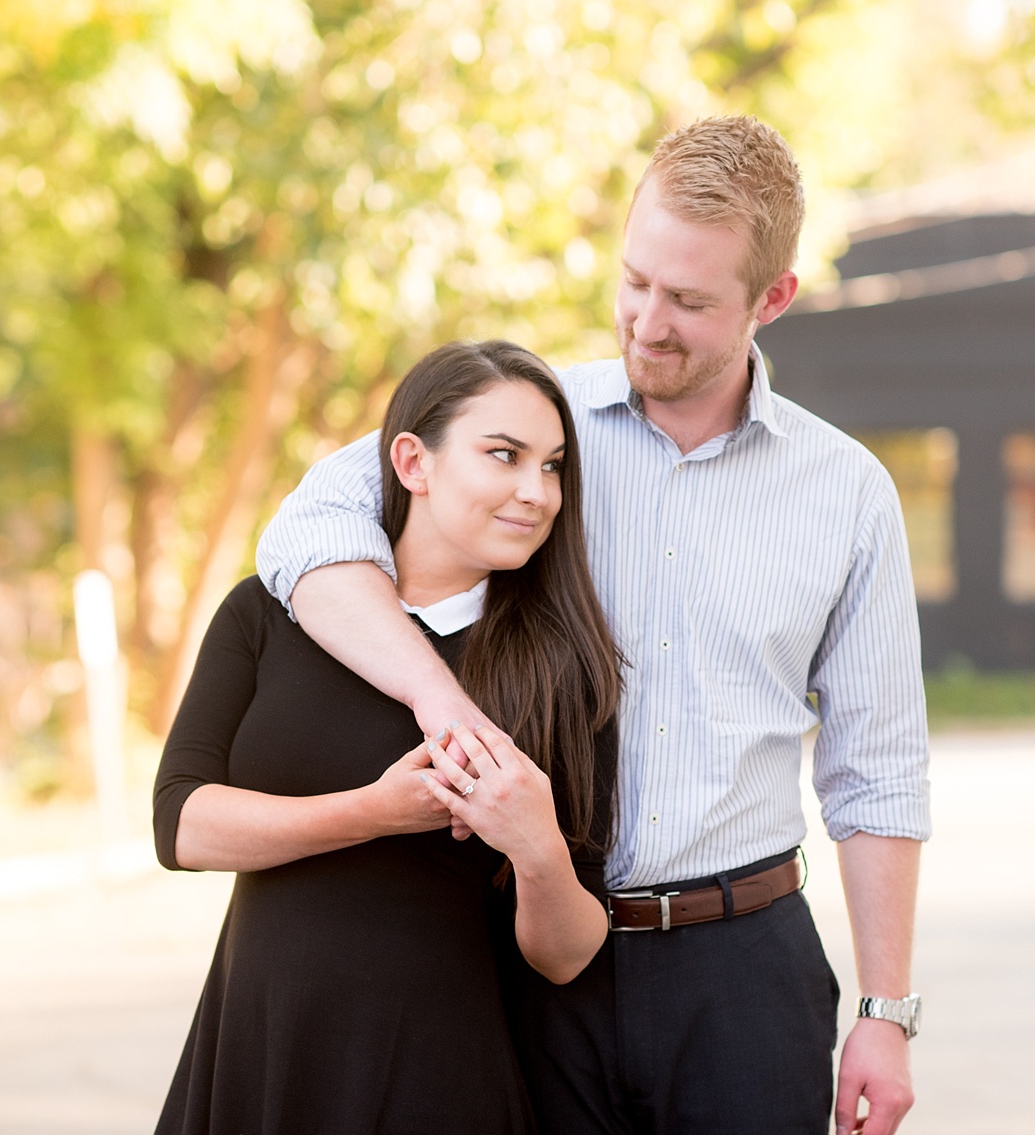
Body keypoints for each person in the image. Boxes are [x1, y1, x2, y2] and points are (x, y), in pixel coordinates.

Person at [257, 116, 930, 1135]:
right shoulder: (526, 433)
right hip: (531, 956)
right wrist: (437, 699)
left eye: (689, 301)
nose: (646, 322)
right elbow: (306, 525)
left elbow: (875, 768)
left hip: (741, 973)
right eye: (634, 281)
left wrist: (885, 1012)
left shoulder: (846, 493)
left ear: (772, 298)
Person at [152, 340, 623, 1135]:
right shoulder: (270, 611)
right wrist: (372, 810)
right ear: (412, 460)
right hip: (262, 1053)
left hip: (438, 1078)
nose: (535, 491)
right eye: (503, 455)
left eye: (552, 466)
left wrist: (537, 847)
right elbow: (180, 825)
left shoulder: (562, 670)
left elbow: (569, 952)